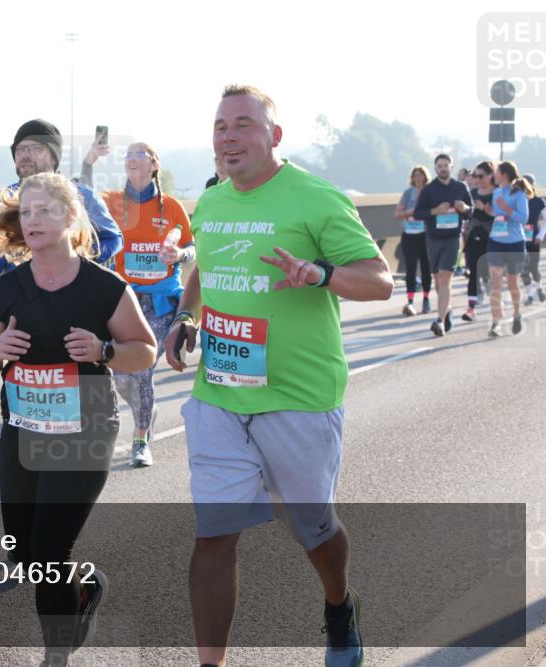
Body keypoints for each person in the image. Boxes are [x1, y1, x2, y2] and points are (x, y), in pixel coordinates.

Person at [166, 85, 393, 667]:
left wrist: (319, 274)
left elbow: (379, 280)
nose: (229, 137)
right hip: (220, 393)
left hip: (298, 397)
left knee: (313, 529)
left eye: (243, 125)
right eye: (220, 127)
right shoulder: (211, 203)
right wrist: (186, 316)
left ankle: (339, 606)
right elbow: (205, 267)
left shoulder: (316, 199)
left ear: (275, 136)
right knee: (213, 534)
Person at [0, 172, 156, 667]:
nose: (32, 220)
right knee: (25, 551)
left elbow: (144, 350)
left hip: (85, 431)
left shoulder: (102, 287)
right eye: (26, 212)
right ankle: (83, 590)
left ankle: (55, 655)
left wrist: (104, 350)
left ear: (71, 217)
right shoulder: (7, 289)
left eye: (45, 211)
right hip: (24, 431)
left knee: (51, 551)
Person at [89, 141, 195, 466]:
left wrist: (179, 254)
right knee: (120, 374)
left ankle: (140, 438)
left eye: (140, 154)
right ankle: (144, 409)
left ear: (154, 165)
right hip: (124, 299)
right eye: (128, 155)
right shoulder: (112, 201)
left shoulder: (172, 207)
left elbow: (191, 249)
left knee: (142, 367)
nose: (132, 159)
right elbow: (82, 197)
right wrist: (90, 162)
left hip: (162, 301)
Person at [0, 119, 122, 284]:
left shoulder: (81, 195)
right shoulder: (1, 199)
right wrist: (10, 243)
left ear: (54, 157)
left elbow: (114, 238)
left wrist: (79, 257)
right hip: (23, 295)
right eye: (20, 149)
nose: (26, 155)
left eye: (36, 148)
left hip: (74, 293)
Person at [413, 154, 472, 337]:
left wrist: (464, 208)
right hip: (433, 238)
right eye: (440, 166)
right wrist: (435, 211)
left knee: (445, 279)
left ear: (451, 167)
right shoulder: (429, 190)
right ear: (435, 168)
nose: (443, 168)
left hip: (452, 238)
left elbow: (471, 212)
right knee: (438, 281)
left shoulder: (460, 187)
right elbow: (417, 213)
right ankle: (447, 309)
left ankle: (439, 321)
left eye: (446, 165)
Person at [485, 161, 531, 337]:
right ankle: (495, 323)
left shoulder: (519, 194)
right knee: (495, 283)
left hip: (515, 243)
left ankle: (517, 314)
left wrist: (506, 209)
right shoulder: (496, 192)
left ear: (504, 174)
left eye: (496, 171)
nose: (493, 175)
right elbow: (498, 215)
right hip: (496, 241)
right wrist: (490, 211)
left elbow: (524, 218)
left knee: (512, 284)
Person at [394, 166, 432, 316]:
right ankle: (410, 301)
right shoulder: (408, 193)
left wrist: (422, 214)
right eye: (415, 176)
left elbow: (434, 212)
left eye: (420, 175)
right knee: (410, 268)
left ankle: (426, 298)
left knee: (426, 268)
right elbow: (397, 214)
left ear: (425, 177)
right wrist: (410, 212)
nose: (417, 178)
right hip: (409, 235)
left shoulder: (429, 193)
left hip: (425, 235)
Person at [462, 161, 495, 321]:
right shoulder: (472, 193)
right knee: (473, 272)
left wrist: (485, 209)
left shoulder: (498, 193)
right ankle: (471, 308)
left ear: (490, 175)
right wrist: (466, 210)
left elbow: (504, 214)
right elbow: (466, 213)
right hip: (473, 235)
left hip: (492, 236)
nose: (477, 179)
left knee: (490, 271)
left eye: (481, 176)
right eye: (475, 176)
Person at [520, 173, 545, 305]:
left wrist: (541, 235)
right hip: (520, 239)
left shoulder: (539, 202)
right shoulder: (518, 200)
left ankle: (539, 288)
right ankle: (529, 294)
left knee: (533, 268)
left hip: (534, 239)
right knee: (523, 269)